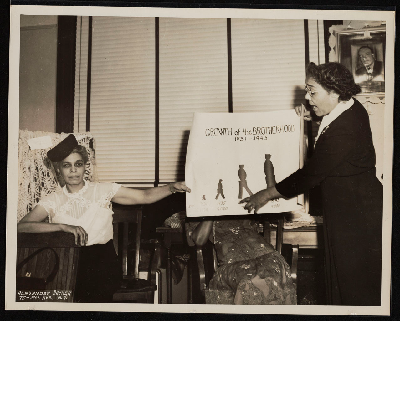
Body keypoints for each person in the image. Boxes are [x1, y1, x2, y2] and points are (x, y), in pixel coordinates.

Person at [240, 62, 383, 306]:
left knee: (354, 287)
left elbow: (310, 175)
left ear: (334, 92)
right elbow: (331, 133)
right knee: (347, 282)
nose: (307, 97)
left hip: (356, 219)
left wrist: (266, 194)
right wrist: (314, 116)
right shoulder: (350, 107)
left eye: (312, 92)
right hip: (354, 212)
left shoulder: (343, 130)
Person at [18, 134, 191, 302]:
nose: (73, 170)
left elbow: (144, 196)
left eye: (78, 164)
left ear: (85, 166)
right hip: (65, 263)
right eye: (66, 165)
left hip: (101, 263)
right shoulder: (53, 200)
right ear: (58, 169)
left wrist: (171, 188)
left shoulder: (102, 190)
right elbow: (21, 227)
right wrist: (62, 227)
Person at [186, 217, 296, 305]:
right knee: (249, 280)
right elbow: (199, 239)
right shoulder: (199, 201)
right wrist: (212, 211)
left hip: (264, 253)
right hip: (233, 261)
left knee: (274, 271)